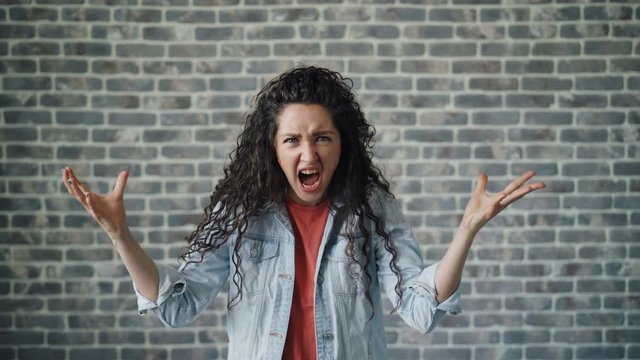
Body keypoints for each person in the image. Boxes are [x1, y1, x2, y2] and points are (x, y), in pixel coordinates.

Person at [62, 66, 545, 359]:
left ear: (343, 145)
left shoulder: (372, 209)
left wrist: (465, 232)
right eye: (292, 139)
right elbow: (175, 305)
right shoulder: (240, 211)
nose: (307, 153)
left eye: (322, 137)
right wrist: (120, 235)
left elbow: (420, 310)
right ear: (272, 148)